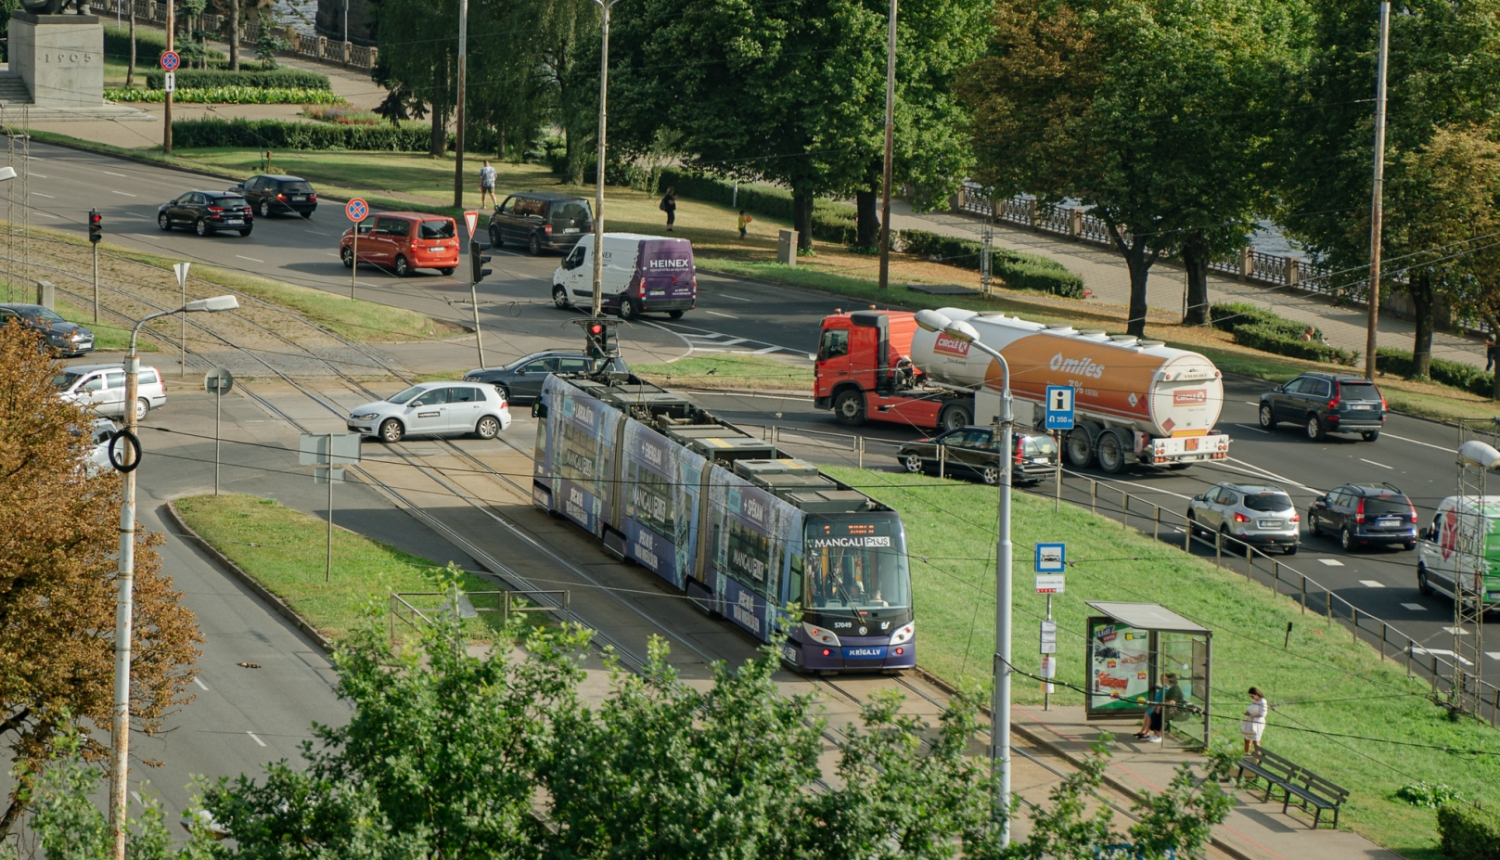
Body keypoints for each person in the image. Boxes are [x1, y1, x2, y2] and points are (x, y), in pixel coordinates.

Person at [1241, 687, 1268, 753]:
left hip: (1258, 722)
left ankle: (1257, 758)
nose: (1252, 698)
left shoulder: (1262, 701)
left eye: (1252, 696)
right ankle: (1247, 755)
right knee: (1247, 739)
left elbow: (1262, 714)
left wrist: (1251, 715)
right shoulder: (1254, 701)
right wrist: (1247, 713)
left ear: (1256, 694)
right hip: (1250, 722)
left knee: (1255, 742)